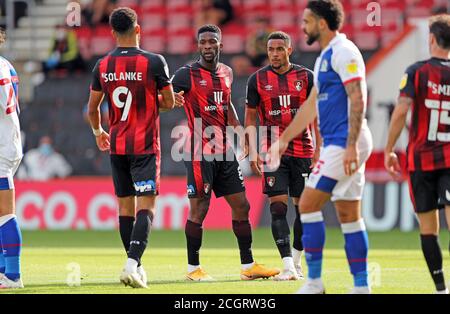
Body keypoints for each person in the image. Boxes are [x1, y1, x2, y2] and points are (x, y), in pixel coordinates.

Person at [267, 0, 373, 294]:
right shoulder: (325, 56)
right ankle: (362, 287)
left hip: (344, 142)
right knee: (350, 216)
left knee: (309, 205)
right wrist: (285, 138)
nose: (303, 27)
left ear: (322, 23)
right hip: (342, 142)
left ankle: (313, 282)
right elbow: (311, 104)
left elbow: (358, 96)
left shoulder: (344, 52)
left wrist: (351, 145)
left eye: (307, 22)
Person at [172, 24, 279, 281]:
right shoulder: (186, 74)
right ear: (198, 46)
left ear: (221, 45)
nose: (207, 47)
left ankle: (248, 266)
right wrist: (170, 100)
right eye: (203, 43)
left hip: (224, 149)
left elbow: (226, 103)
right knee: (200, 207)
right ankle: (192, 269)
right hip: (199, 150)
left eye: (212, 42)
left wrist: (241, 132)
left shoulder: (227, 73)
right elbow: (162, 96)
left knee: (242, 205)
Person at [87, 7, 182, 289]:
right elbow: (166, 103)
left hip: (117, 145)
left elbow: (92, 109)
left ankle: (136, 266)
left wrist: (98, 132)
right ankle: (131, 264)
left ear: (113, 33)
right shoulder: (155, 62)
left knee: (125, 207)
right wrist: (166, 100)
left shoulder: (102, 65)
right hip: (144, 145)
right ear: (138, 29)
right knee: (147, 205)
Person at [245, 31, 321, 281]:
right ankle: (287, 264)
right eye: (271, 49)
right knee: (277, 208)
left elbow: (316, 115)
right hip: (272, 152)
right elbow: (251, 116)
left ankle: (297, 262)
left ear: (289, 50)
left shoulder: (306, 77)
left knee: (303, 210)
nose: (275, 54)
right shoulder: (257, 80)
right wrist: (253, 148)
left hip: (303, 150)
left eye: (279, 49)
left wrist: (319, 149)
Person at [385, 14, 450, 295]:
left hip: (421, 160)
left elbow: (401, 110)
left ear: (432, 39)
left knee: (428, 228)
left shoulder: (416, 71)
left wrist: (389, 148)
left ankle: (440, 289)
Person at [0, 28, 24, 289]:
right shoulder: (6, 64)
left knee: (5, 213)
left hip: (1, 148)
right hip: (9, 140)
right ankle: (3, 271)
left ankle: (13, 275)